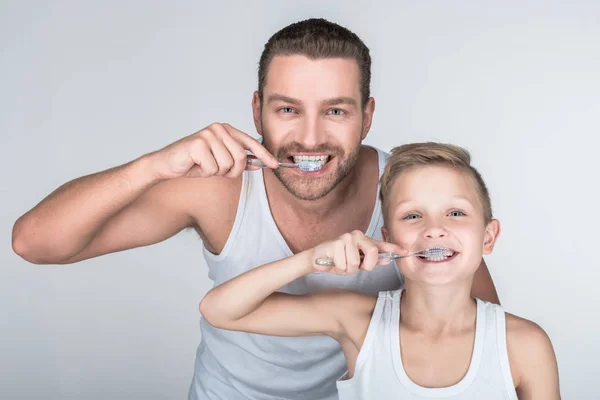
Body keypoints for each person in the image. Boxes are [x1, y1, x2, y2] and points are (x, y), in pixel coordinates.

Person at [11, 19, 500, 399]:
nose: (310, 137)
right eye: (288, 109)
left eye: (335, 110)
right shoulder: (216, 189)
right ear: (256, 110)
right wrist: (153, 166)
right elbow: (33, 242)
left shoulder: (410, 195)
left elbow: (482, 329)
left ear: (367, 116)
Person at [199, 142, 561, 400]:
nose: (434, 229)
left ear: (488, 237)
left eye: (455, 213)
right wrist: (310, 259)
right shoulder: (358, 321)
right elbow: (219, 309)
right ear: (388, 237)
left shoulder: (524, 345)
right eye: (413, 216)